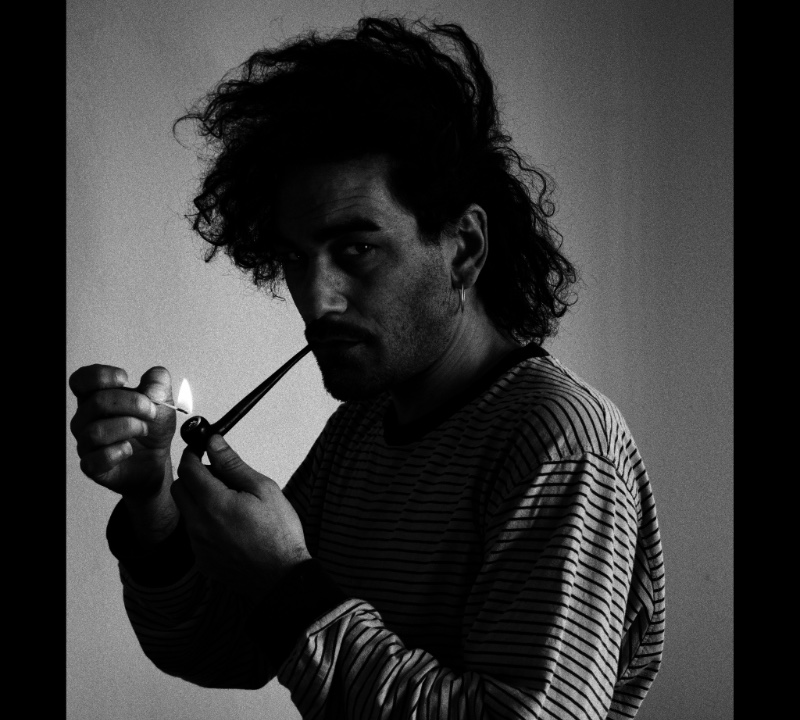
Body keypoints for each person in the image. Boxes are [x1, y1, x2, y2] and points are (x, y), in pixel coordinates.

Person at [69, 17, 665, 719]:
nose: (316, 299)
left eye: (356, 250)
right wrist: (153, 506)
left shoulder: (559, 441)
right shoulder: (361, 430)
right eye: (295, 257)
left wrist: (287, 584)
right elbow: (225, 649)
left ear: (465, 248)